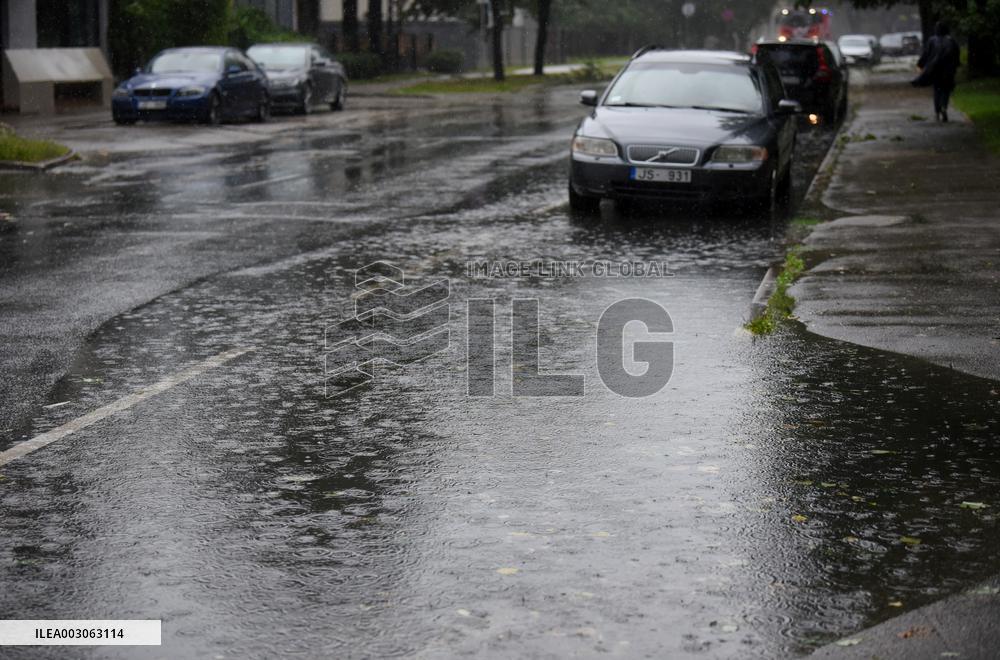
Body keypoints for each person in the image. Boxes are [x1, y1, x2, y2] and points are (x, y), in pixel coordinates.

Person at [914, 22, 961, 122]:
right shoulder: (951, 41)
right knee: (946, 90)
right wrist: (956, 66)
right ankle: (944, 106)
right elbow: (956, 55)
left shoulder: (932, 40)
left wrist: (920, 65)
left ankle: (937, 111)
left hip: (935, 69)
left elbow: (926, 54)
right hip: (948, 70)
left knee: (937, 90)